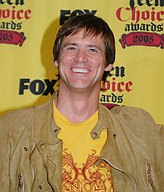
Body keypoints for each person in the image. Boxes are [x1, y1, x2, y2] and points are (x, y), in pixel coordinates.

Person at [0, 14, 163, 192]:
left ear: (108, 64)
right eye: (71, 48)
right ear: (56, 59)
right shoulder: (12, 130)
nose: (80, 57)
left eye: (93, 49)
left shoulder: (140, 130)